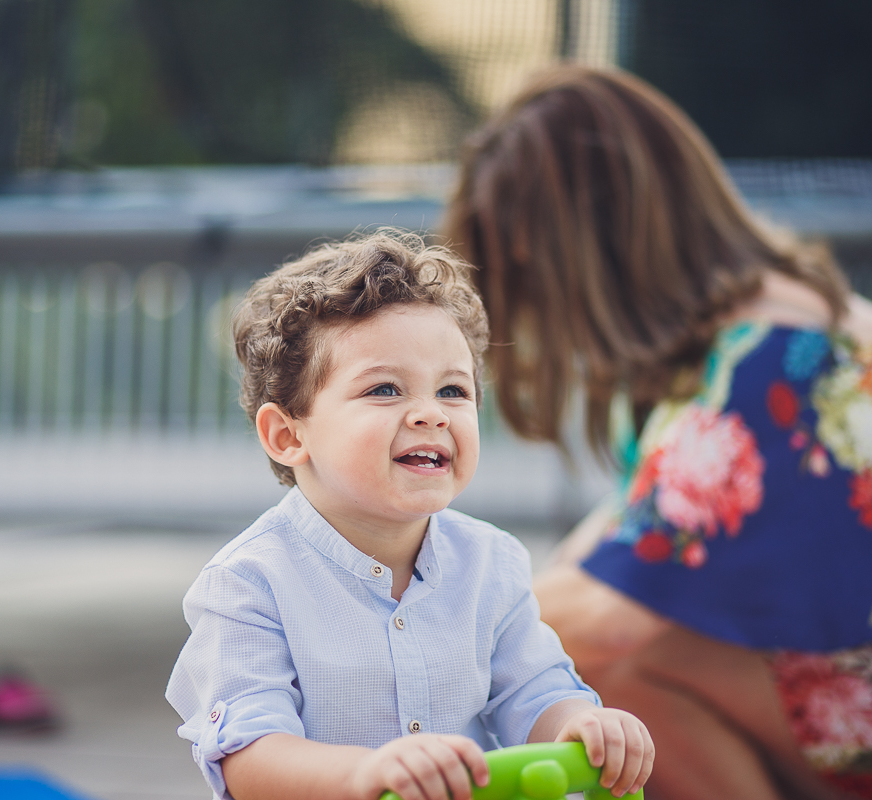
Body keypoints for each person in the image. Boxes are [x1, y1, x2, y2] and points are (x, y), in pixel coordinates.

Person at [446, 63, 872, 800]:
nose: (539, 319)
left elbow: (607, 616)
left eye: (531, 284)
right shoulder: (789, 328)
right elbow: (601, 565)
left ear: (583, 257)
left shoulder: (774, 360)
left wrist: (403, 632)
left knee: (610, 666)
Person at [166, 231, 655, 800]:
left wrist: (582, 725)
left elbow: (535, 692)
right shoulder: (247, 585)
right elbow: (250, 756)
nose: (431, 414)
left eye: (453, 391)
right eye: (385, 389)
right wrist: (367, 775)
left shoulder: (491, 563)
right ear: (287, 435)